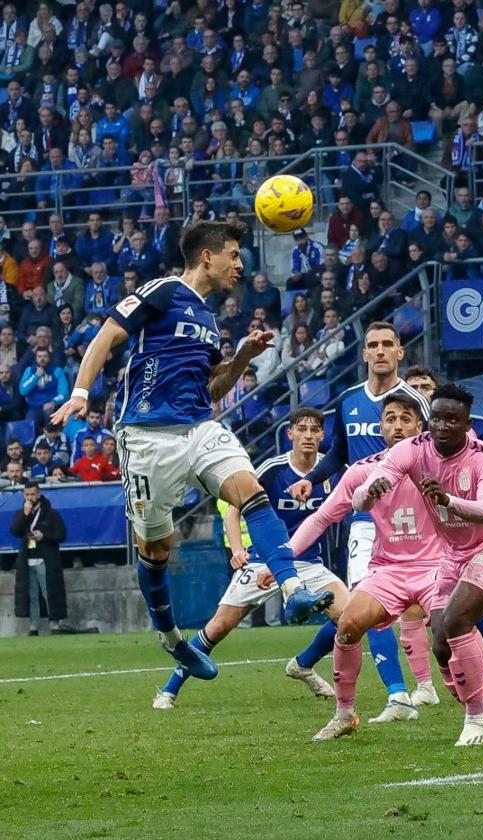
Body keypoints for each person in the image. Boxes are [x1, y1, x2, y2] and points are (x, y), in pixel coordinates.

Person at [49, 220, 332, 680]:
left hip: (199, 426)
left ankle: (292, 585)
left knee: (252, 492)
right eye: (234, 255)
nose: (240, 265)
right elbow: (106, 336)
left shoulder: (207, 316)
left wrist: (241, 357)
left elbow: (213, 388)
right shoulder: (161, 291)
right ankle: (171, 637)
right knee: (157, 547)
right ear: (207, 256)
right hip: (146, 435)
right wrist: (81, 393)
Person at [355, 385, 483, 747]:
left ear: (467, 424)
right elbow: (365, 495)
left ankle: (477, 718)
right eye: (436, 417)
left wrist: (448, 499)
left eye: (451, 419)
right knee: (440, 644)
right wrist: (371, 491)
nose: (441, 425)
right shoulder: (413, 449)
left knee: (457, 621)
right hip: (452, 554)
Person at [152, 410, 351, 710]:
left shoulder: (332, 470)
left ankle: (303, 664)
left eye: (315, 430)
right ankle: (168, 690)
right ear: (290, 434)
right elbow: (235, 509)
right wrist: (236, 549)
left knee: (351, 618)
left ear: (323, 436)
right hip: (263, 562)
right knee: (218, 627)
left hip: (310, 563)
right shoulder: (273, 468)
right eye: (302, 429)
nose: (308, 435)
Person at [297, 395, 470, 738]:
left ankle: (481, 709)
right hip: (388, 569)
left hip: (436, 564)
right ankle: (345, 714)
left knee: (450, 631)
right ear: (381, 428)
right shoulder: (363, 472)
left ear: (420, 427)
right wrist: (285, 557)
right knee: (348, 623)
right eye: (390, 419)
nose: (397, 426)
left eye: (406, 419)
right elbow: (321, 519)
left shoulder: (440, 465)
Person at [286, 322, 432, 703]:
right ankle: (399, 695)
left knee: (453, 606)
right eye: (373, 345)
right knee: (365, 602)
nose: (380, 351)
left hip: (416, 519)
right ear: (364, 353)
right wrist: (313, 479)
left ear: (400, 352)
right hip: (366, 518)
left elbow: (434, 454)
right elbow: (338, 451)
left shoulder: (415, 401)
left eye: (388, 344)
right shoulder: (348, 399)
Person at [8, 482, 68, 636]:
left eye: (32, 494)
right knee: (32, 595)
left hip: (45, 559)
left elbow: (61, 535)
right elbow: (15, 530)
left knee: (49, 592)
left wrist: (44, 536)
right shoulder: (21, 513)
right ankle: (33, 626)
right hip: (27, 560)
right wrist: (24, 514)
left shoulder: (51, 514)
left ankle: (55, 624)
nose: (30, 497)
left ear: (39, 494)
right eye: (27, 494)